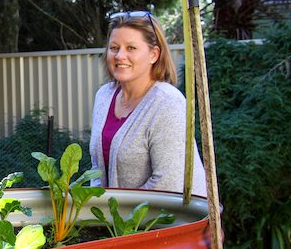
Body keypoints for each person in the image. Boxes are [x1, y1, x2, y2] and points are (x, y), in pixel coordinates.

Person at [88, 10, 207, 197]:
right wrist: (94, 208)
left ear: (154, 54)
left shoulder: (167, 103)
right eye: (114, 47)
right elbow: (97, 168)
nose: (120, 55)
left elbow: (169, 183)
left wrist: (116, 214)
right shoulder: (104, 96)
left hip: (172, 221)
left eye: (131, 48)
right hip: (116, 222)